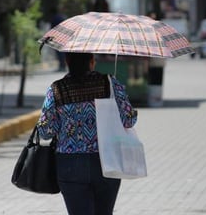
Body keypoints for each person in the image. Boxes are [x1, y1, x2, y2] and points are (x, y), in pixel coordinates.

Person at [36, 52, 138, 215]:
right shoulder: (109, 83)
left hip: (69, 164)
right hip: (106, 161)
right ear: (92, 61)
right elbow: (128, 121)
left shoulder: (57, 89)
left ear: (67, 61)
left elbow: (45, 131)